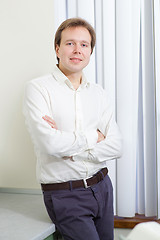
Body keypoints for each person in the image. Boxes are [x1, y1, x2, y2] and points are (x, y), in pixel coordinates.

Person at [23, 17, 122, 240]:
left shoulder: (98, 93)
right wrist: (94, 137)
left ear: (90, 51)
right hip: (64, 194)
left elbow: (116, 146)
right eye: (70, 43)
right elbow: (49, 144)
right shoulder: (38, 89)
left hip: (103, 187)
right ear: (57, 49)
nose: (77, 50)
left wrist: (67, 149)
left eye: (84, 45)